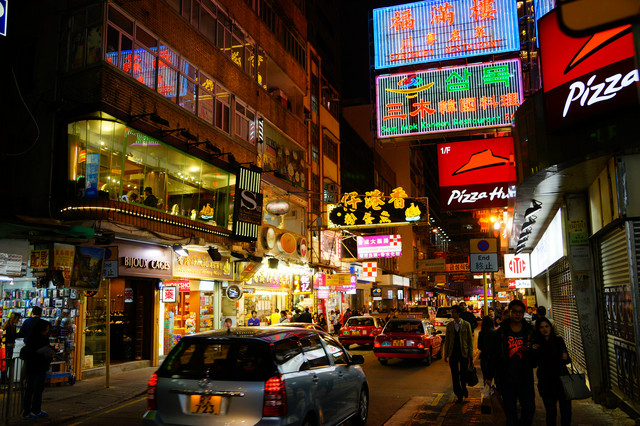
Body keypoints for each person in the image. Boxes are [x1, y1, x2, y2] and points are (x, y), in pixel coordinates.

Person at [486, 299, 536, 426]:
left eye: (520, 312)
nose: (517, 314)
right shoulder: (501, 332)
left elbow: (537, 353)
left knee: (529, 409)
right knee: (509, 411)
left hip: (525, 377)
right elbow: (494, 354)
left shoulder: (529, 331)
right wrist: (489, 376)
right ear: (510, 312)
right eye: (515, 312)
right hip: (506, 378)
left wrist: (530, 350)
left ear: (523, 313)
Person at [532, 317, 572, 426]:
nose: (545, 329)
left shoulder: (558, 340)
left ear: (550, 327)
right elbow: (534, 363)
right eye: (541, 327)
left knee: (566, 411)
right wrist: (533, 350)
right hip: (546, 382)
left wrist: (565, 357)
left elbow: (567, 360)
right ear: (538, 330)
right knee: (550, 412)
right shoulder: (537, 344)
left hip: (562, 380)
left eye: (547, 326)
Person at [22, 319, 54, 419]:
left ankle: (36, 409)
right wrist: (43, 354)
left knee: (39, 389)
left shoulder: (42, 338)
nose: (47, 331)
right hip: (35, 367)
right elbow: (31, 353)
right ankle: (27, 411)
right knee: (31, 389)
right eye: (46, 329)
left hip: (41, 367)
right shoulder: (33, 339)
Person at [444, 305, 474, 403]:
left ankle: (463, 388)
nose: (452, 314)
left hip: (463, 352)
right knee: (454, 375)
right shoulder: (449, 325)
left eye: (454, 312)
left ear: (458, 313)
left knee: (463, 374)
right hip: (453, 353)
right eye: (452, 312)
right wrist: (446, 354)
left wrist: (470, 355)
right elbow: (447, 340)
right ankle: (458, 393)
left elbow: (469, 340)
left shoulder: (466, 324)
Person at [477, 315, 498, 382]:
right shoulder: (495, 332)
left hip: (484, 357)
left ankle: (487, 388)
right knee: (495, 377)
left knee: (486, 378)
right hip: (494, 357)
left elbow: (479, 346)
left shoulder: (481, 333)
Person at [2, 312, 21, 381]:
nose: (18, 321)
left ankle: (4, 378)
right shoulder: (10, 326)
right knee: (7, 363)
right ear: (15, 318)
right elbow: (10, 337)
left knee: (6, 363)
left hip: (6, 346)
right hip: (8, 347)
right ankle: (4, 378)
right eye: (18, 319)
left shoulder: (7, 325)